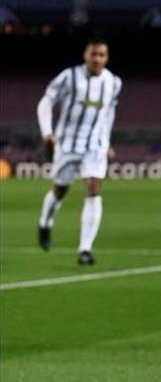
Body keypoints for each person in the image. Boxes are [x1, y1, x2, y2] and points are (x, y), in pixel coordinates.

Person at [35, 37, 122, 266]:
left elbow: (109, 113)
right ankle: (45, 223)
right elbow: (46, 101)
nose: (97, 59)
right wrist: (47, 133)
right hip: (66, 144)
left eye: (101, 55)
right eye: (93, 54)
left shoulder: (113, 82)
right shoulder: (69, 77)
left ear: (107, 58)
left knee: (94, 188)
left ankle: (85, 249)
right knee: (60, 191)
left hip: (94, 146)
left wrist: (107, 141)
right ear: (85, 55)